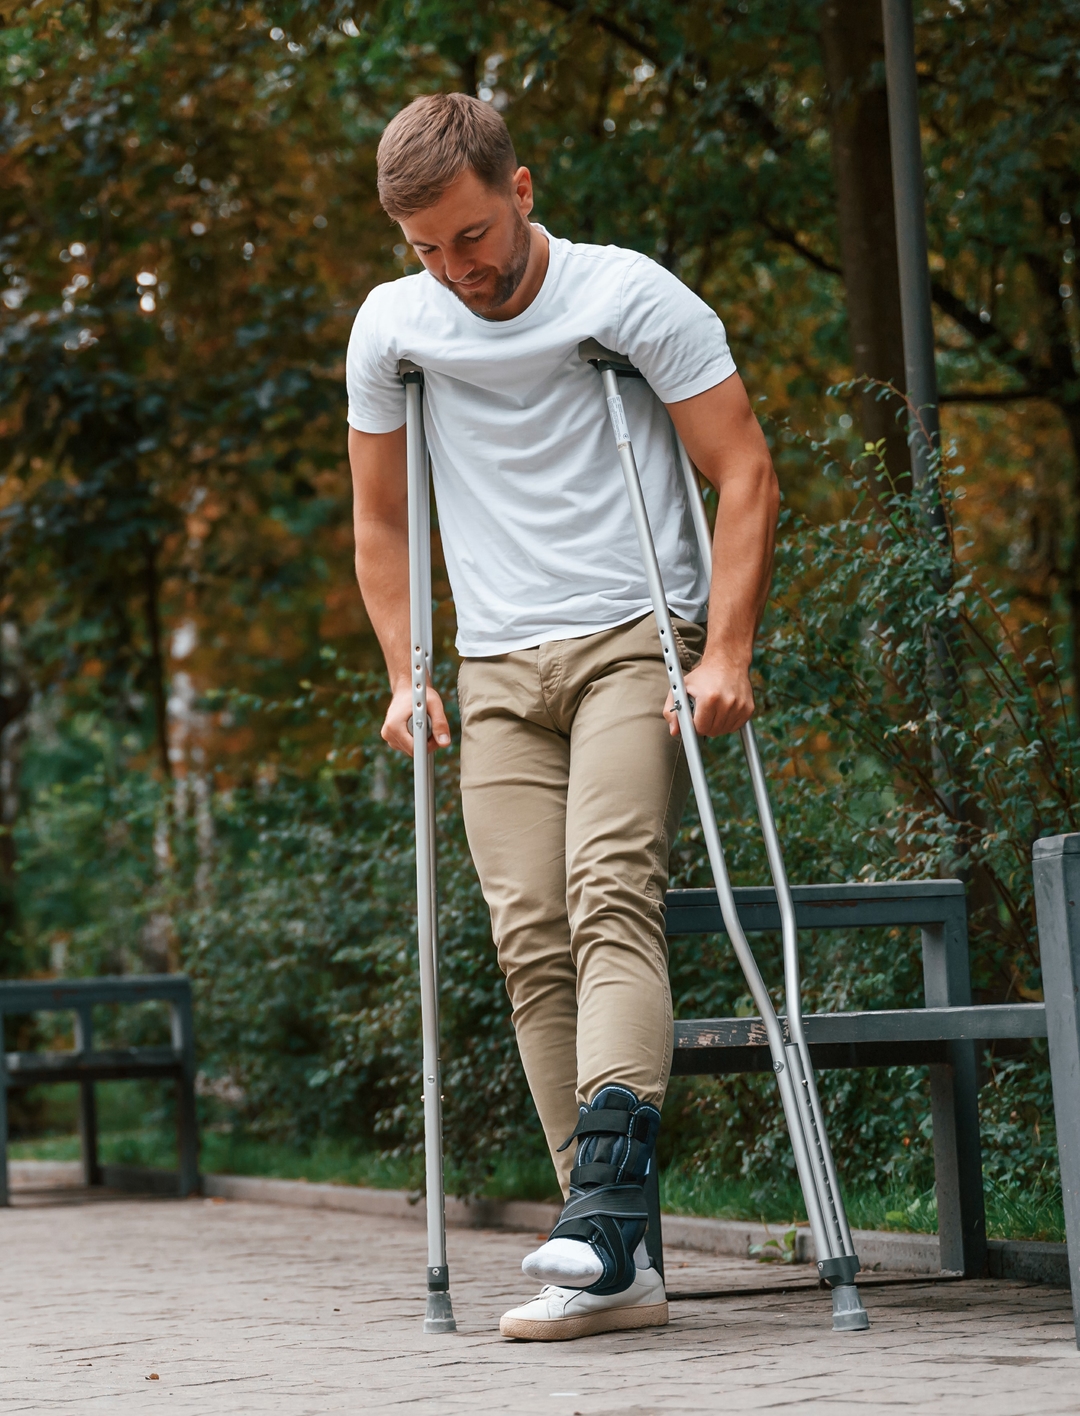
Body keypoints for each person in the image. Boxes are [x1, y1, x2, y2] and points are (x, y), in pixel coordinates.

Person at [348, 92, 779, 1342]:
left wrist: (729, 651)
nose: (456, 268)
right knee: (529, 934)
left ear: (521, 189)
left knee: (607, 890)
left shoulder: (629, 298)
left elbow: (742, 465)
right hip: (492, 666)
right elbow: (382, 522)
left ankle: (595, 1227)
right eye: (427, 248)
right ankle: (617, 1257)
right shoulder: (396, 328)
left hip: (630, 636)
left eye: (471, 235)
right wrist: (402, 668)